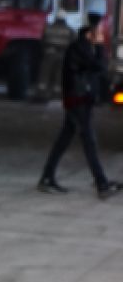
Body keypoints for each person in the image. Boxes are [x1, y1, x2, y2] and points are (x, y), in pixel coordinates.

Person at [38, 18, 121, 199]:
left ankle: (47, 177)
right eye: (97, 33)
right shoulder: (79, 49)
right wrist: (99, 47)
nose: (100, 36)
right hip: (78, 100)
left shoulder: (84, 48)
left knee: (64, 139)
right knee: (89, 141)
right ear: (88, 34)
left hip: (81, 100)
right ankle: (101, 183)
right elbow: (98, 66)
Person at [38, 13, 75, 103]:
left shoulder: (48, 28)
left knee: (45, 73)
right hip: (63, 55)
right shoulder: (69, 30)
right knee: (59, 74)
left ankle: (42, 93)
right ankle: (57, 93)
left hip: (49, 53)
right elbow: (73, 43)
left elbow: (42, 40)